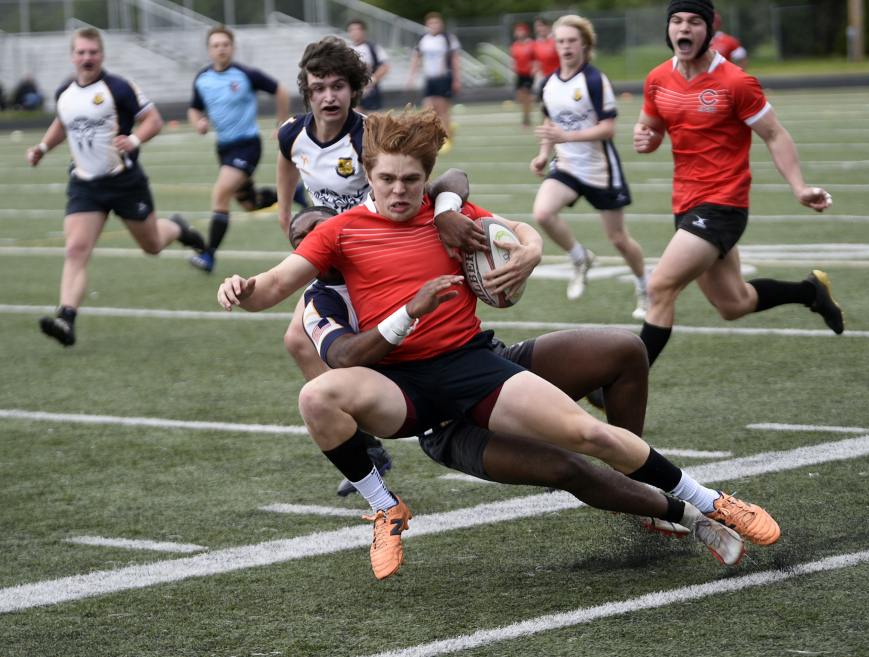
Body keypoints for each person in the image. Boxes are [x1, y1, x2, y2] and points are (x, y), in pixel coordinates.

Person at [218, 109, 780, 580]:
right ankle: (384, 509)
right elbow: (273, 289)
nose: (397, 191)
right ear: (367, 174)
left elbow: (514, 230)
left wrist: (530, 251)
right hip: (402, 388)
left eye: (411, 181)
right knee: (318, 397)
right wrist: (241, 290)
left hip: (472, 364)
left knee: (589, 433)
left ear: (425, 180)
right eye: (386, 179)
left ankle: (712, 502)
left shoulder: (447, 216)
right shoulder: (339, 233)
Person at [287, 205, 747, 568]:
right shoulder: (320, 300)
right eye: (300, 239)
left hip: (484, 365)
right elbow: (343, 357)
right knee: (568, 467)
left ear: (343, 229)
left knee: (625, 351)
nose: (313, 241)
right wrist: (409, 311)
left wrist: (528, 248)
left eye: (319, 228)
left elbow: (456, 185)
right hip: (439, 419)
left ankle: (636, 482)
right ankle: (688, 515)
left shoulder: (392, 241)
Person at [275, 37, 485, 495]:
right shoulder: (293, 132)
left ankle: (374, 426)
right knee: (298, 339)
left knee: (316, 336)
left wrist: (446, 208)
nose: (329, 97)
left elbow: (444, 176)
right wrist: (286, 217)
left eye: (338, 87)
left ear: (355, 89)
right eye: (318, 88)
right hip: (337, 251)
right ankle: (364, 438)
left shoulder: (368, 135)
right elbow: (287, 166)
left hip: (375, 248)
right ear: (307, 92)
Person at [633, 0, 843, 367]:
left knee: (659, 286)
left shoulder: (735, 81)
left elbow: (774, 134)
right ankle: (810, 292)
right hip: (685, 202)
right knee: (734, 304)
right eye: (677, 21)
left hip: (724, 203)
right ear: (668, 28)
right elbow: (650, 132)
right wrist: (645, 140)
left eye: (694, 22)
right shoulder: (657, 79)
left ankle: (617, 382)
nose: (685, 28)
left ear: (708, 30)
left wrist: (799, 188)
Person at [25, 27, 205, 347]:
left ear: (102, 55)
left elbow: (154, 120)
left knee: (152, 246)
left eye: (92, 51)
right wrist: (42, 147)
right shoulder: (64, 92)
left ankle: (178, 229)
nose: (87, 57)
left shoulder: (119, 87)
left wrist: (134, 139)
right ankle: (66, 319)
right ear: (72, 57)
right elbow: (63, 122)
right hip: (85, 185)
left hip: (125, 183)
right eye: (81, 52)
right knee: (76, 249)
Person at [531, 15, 649, 317]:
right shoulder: (548, 84)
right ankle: (580, 257)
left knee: (619, 239)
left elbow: (608, 128)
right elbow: (550, 122)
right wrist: (544, 153)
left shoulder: (595, 80)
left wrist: (565, 135)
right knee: (543, 213)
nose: (566, 46)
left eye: (572, 40)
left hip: (600, 169)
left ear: (584, 44)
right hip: (567, 165)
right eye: (561, 41)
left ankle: (645, 288)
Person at [186, 24, 291, 273]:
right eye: (215, 45)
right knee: (249, 204)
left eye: (225, 44)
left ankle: (209, 255)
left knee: (220, 195)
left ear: (232, 48)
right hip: (224, 148)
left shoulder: (245, 74)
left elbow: (281, 90)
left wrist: (280, 124)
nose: (221, 49)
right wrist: (197, 123)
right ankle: (292, 193)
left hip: (247, 146)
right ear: (209, 50)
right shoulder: (202, 78)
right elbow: (194, 108)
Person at [406, 12, 461, 148]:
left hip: (444, 77)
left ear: (441, 24)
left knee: (443, 108)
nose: (434, 25)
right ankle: (431, 137)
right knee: (428, 109)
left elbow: (455, 59)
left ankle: (447, 138)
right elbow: (416, 58)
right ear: (427, 25)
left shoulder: (448, 38)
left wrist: (456, 79)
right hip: (430, 78)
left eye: (436, 23)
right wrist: (411, 76)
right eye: (431, 23)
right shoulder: (423, 39)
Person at [347, 19, 390, 114]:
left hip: (371, 91)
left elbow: (385, 66)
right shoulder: (347, 49)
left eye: (357, 29)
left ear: (363, 31)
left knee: (373, 120)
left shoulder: (372, 47)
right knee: (356, 118)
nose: (355, 32)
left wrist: (372, 80)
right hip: (355, 90)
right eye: (352, 30)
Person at [509, 23, 536, 126]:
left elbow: (536, 59)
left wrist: (534, 68)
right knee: (520, 98)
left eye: (521, 30)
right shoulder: (515, 45)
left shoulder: (531, 44)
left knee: (525, 95)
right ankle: (535, 98)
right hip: (519, 74)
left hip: (528, 74)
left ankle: (526, 119)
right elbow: (513, 59)